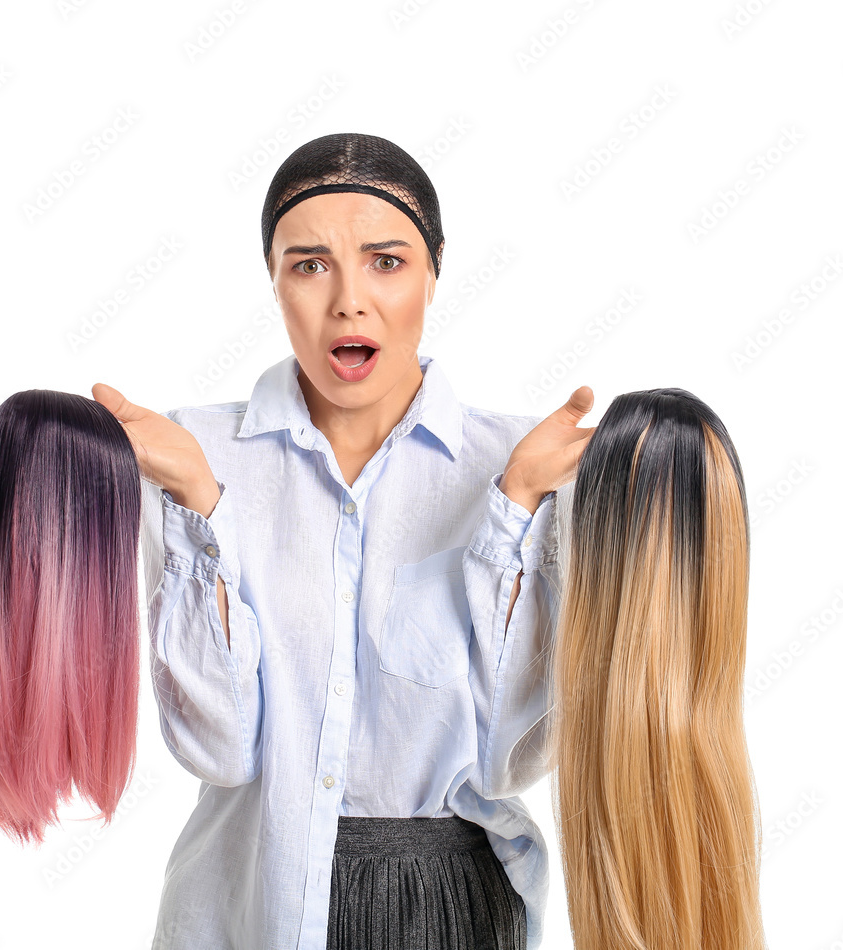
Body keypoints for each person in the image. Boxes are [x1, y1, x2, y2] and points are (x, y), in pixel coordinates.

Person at [93, 132, 595, 950]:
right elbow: (219, 748)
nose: (348, 301)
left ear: (434, 270)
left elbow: (514, 759)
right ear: (274, 279)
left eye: (386, 262)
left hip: (452, 905)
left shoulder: (520, 462)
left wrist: (514, 508)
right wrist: (198, 505)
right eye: (310, 264)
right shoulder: (190, 457)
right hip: (248, 899)